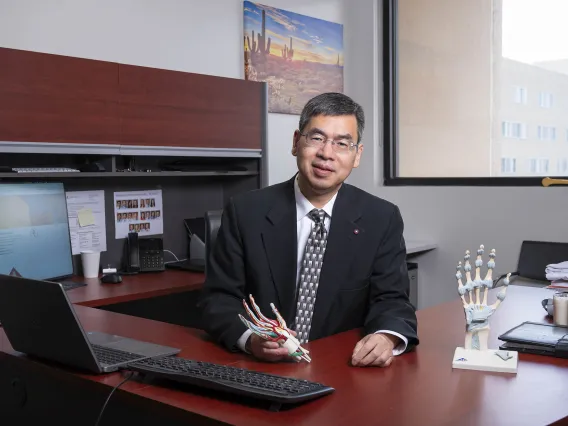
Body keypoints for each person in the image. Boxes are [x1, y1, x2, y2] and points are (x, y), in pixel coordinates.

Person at [199, 92, 418, 368]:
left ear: (357, 155)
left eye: (342, 143)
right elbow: (218, 300)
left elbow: (392, 300)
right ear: (295, 143)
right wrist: (251, 340)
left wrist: (386, 337)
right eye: (316, 138)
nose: (326, 153)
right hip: (260, 368)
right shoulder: (245, 212)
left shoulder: (381, 218)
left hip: (341, 367)